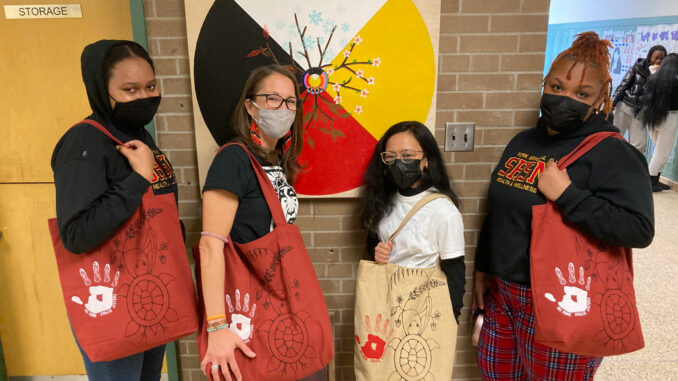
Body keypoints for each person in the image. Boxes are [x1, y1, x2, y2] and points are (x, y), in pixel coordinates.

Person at [474, 32, 654, 380]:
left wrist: (569, 195)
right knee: (495, 374)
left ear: (601, 100)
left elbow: (639, 229)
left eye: (581, 94)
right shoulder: (525, 140)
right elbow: (500, 210)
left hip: (561, 298)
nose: (564, 99)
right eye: (556, 87)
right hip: (503, 293)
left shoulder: (611, 152)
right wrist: (485, 267)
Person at [52, 40, 178, 380]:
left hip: (150, 288)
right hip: (111, 297)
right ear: (101, 90)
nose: (144, 97)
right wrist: (137, 177)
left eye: (150, 86)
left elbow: (155, 212)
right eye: (129, 89)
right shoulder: (84, 143)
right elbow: (76, 235)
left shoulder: (137, 136)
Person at [198, 64, 328, 381]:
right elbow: (210, 245)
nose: (283, 108)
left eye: (290, 102)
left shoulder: (272, 160)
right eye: (272, 99)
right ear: (250, 106)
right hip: (252, 307)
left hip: (282, 301)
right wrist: (216, 326)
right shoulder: (234, 159)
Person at [361, 121, 466, 323]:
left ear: (426, 159)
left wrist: (450, 320)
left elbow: (455, 272)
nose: (398, 163)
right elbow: (373, 243)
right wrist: (377, 252)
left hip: (424, 310)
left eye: (407, 156)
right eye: (391, 157)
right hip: (386, 301)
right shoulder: (383, 201)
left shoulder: (443, 210)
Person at [612, 44, 667, 153]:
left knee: (640, 145)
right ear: (649, 56)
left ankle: (630, 165)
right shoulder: (638, 67)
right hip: (625, 106)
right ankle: (609, 161)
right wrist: (612, 103)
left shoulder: (662, 75)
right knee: (615, 137)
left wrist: (655, 77)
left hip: (641, 113)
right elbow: (624, 85)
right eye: (656, 57)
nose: (658, 61)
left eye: (662, 58)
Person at [641, 52, 678, 192]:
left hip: (652, 118)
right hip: (668, 118)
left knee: (660, 151)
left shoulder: (653, 78)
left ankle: (656, 180)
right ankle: (650, 182)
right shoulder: (676, 82)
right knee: (661, 153)